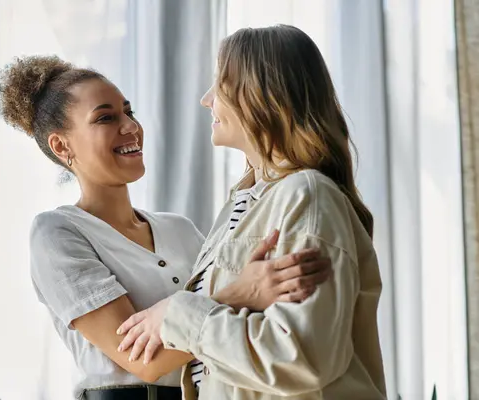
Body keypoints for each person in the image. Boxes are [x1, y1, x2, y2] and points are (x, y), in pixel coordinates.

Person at [0, 55, 332, 400]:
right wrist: (239, 293)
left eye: (129, 112)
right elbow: (142, 361)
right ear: (61, 145)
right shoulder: (57, 233)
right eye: (106, 118)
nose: (129, 126)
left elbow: (239, 321)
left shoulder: (180, 230)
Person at [117, 25, 387, 400]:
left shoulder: (306, 195)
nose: (206, 99)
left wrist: (179, 315)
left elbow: (300, 358)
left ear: (263, 94)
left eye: (221, 84)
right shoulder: (243, 203)